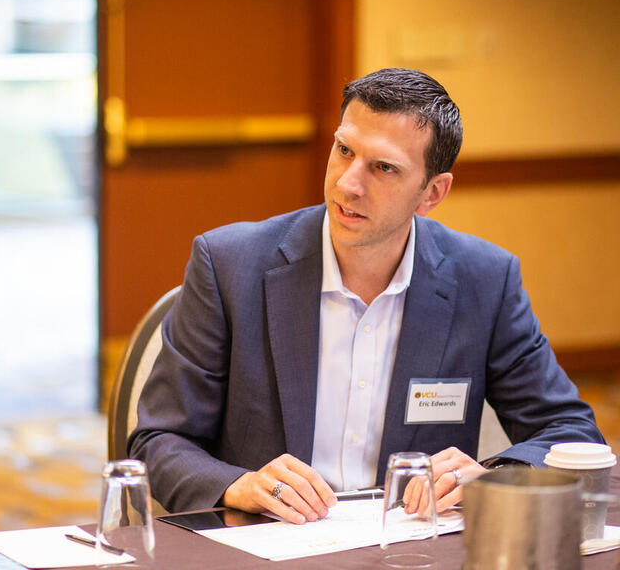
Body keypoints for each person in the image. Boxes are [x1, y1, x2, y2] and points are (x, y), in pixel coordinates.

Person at [128, 68, 604, 525]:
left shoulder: (485, 281)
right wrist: (239, 484)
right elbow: (158, 440)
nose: (348, 183)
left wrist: (497, 477)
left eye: (383, 168)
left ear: (432, 192)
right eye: (344, 150)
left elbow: (570, 433)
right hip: (268, 545)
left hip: (411, 550)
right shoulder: (231, 265)